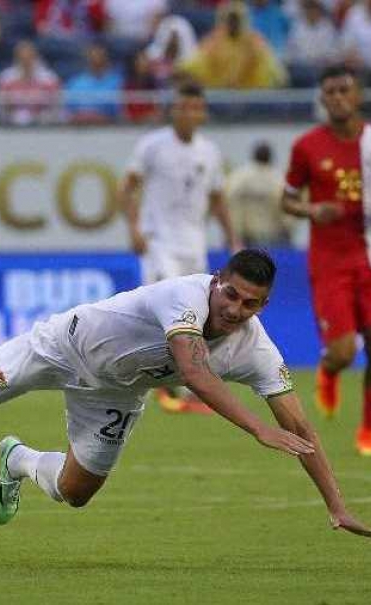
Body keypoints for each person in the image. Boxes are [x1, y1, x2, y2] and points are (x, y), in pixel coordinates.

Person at [0, 250, 371, 541]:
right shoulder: (183, 297)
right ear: (216, 281)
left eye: (250, 303)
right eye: (231, 293)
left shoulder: (256, 350)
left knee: (76, 492)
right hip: (64, 346)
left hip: (118, 392)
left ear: (262, 308)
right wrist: (259, 428)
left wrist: (337, 506)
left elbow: (302, 430)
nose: (235, 308)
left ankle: (17, 459)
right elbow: (194, 373)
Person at [281, 64, 371, 457]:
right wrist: (311, 210)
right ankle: (328, 371)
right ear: (322, 98)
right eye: (330, 91)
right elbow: (287, 199)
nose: (338, 97)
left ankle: (370, 430)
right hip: (329, 260)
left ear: (358, 95)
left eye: (344, 90)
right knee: (343, 352)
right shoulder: (307, 146)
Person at [118, 81, 241, 413]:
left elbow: (217, 199)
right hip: (159, 243)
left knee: (196, 318)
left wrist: (233, 239)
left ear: (202, 112)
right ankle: (169, 389)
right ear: (173, 110)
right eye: (182, 107)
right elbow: (126, 188)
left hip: (193, 245)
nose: (188, 114)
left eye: (195, 108)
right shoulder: (152, 146)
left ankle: (177, 385)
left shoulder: (210, 151)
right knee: (168, 313)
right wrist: (133, 228)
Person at [226, 141, 292, 246]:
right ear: (270, 157)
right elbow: (287, 211)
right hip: (274, 238)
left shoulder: (238, 177)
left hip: (244, 236)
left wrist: (232, 232)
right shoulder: (278, 179)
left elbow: (228, 201)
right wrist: (288, 229)